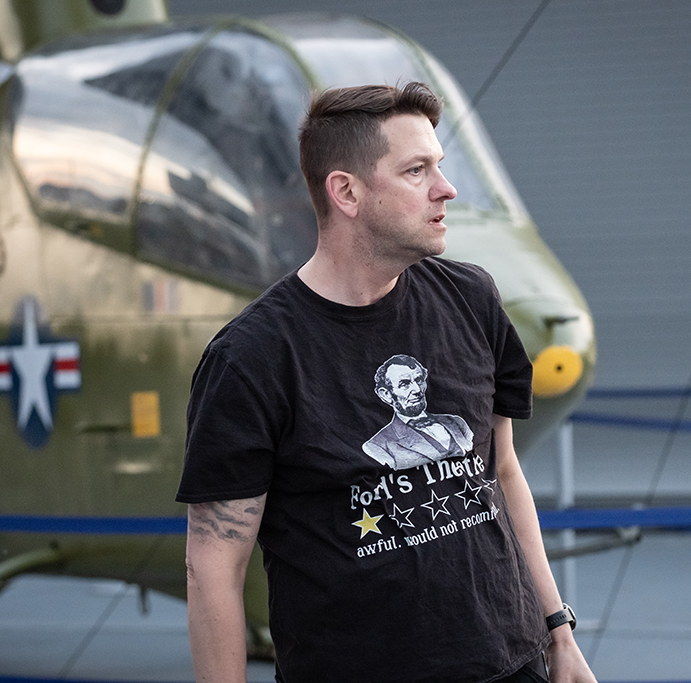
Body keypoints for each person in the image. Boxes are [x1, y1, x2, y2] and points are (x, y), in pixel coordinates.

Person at [177, 82, 597, 683]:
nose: (445, 189)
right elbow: (213, 563)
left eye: (440, 167)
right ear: (346, 191)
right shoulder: (252, 358)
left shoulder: (472, 299)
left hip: (513, 664)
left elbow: (503, 470)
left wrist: (559, 632)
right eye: (416, 170)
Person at [363, 353, 475, 468]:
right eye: (404, 384)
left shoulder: (456, 422)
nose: (417, 390)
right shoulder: (377, 446)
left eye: (419, 380)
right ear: (386, 394)